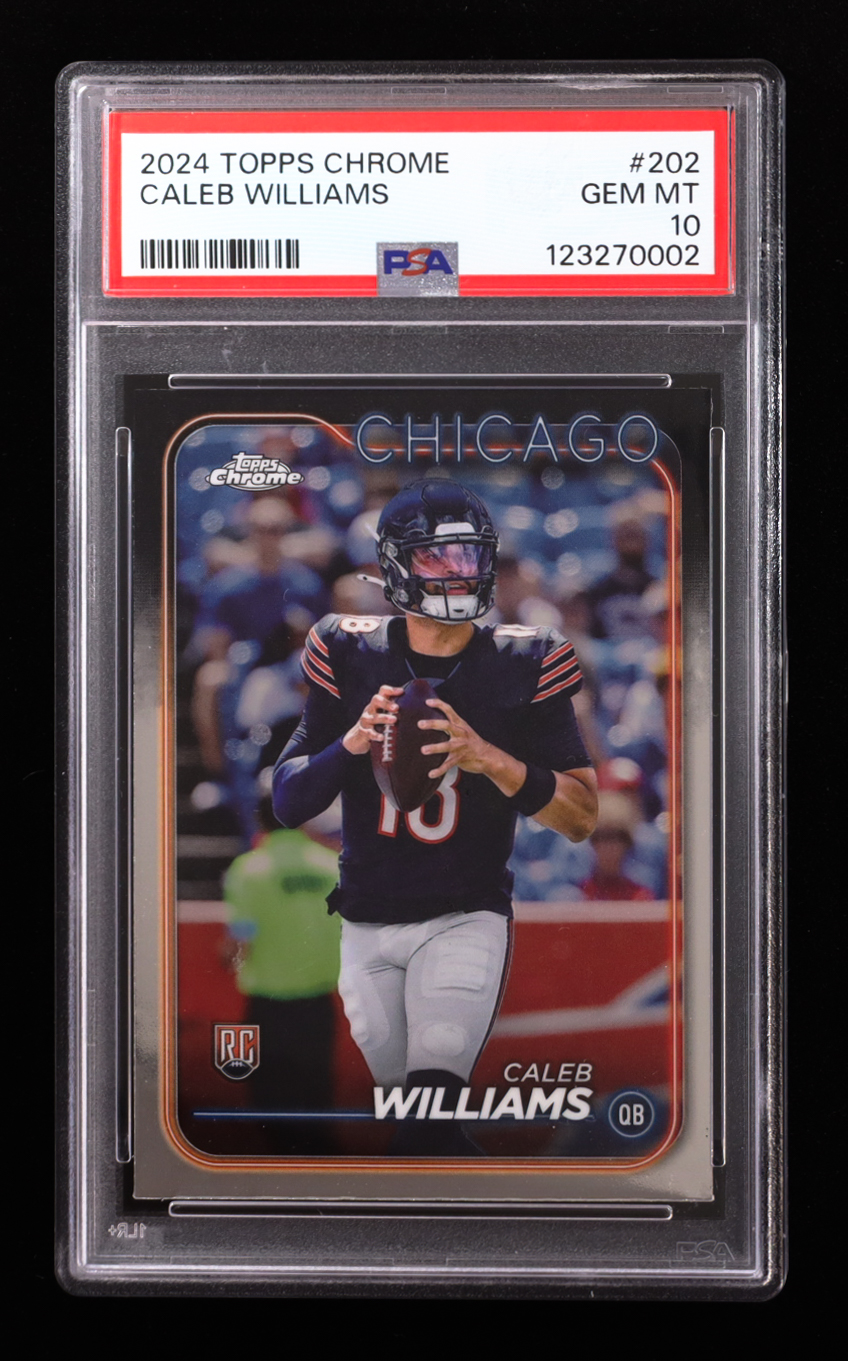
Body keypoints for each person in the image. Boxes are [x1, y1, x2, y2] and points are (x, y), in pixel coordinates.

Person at [273, 479, 597, 1154]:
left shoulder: (527, 656)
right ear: (395, 565)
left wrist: (489, 759)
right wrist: (351, 743)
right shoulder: (347, 647)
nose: (458, 572)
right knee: (422, 1130)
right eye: (436, 557)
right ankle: (493, 1211)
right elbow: (290, 801)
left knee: (426, 1113)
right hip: (365, 921)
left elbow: (581, 816)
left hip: (463, 915)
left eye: (468, 556)